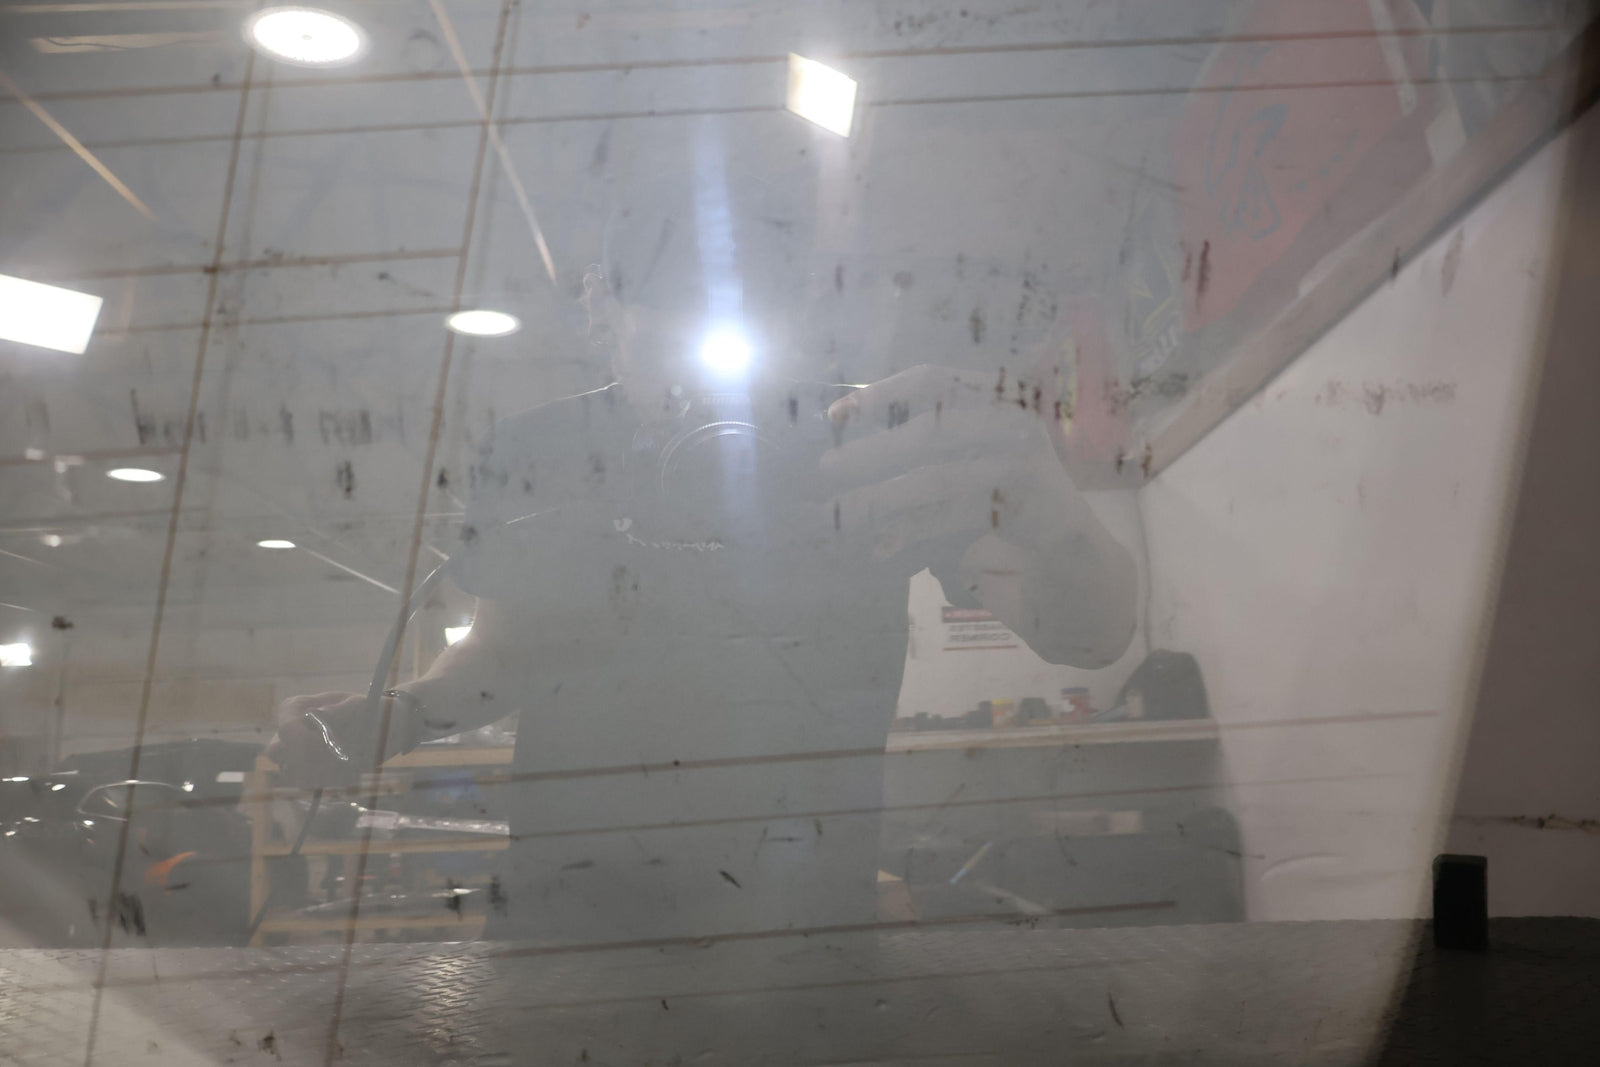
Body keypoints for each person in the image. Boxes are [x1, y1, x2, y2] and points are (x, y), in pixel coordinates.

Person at [269, 165, 1137, 945]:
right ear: (599, 303)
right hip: (573, 905)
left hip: (801, 917)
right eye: (673, 322)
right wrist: (397, 715)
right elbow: (500, 649)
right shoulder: (538, 450)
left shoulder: (861, 441)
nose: (709, 367)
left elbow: (1089, 636)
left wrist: (1051, 511)